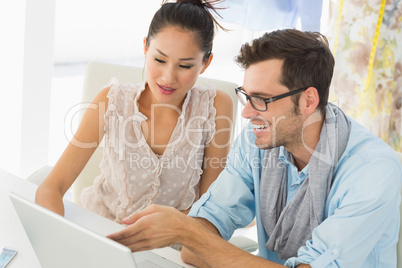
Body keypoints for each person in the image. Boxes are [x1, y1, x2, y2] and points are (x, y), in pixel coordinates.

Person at [107, 29, 402, 267]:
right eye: (246, 96)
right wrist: (193, 235)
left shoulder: (373, 170)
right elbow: (192, 251)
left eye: (262, 99)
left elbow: (197, 241)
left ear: (309, 101)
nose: (247, 114)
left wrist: (189, 232)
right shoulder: (256, 142)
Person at [35, 0, 233, 224]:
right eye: (159, 59)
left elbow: (209, 207)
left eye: (185, 66)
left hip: (172, 242)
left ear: (206, 63)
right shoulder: (111, 101)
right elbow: (52, 187)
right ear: (146, 48)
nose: (168, 77)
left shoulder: (215, 107)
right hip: (102, 229)